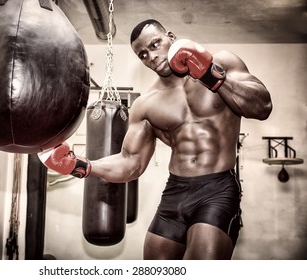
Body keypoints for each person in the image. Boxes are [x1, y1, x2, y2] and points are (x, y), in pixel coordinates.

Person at [38, 19, 273, 259]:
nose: (151, 56)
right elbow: (131, 162)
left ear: (170, 36)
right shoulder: (146, 104)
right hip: (175, 192)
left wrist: (212, 74)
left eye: (155, 44)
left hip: (217, 189)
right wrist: (80, 166)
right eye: (142, 54)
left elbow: (262, 106)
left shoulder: (222, 61)